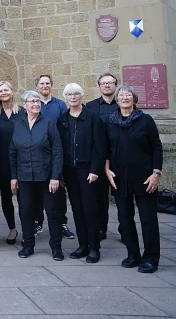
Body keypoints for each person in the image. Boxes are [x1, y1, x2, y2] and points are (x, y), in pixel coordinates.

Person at [106, 85, 162, 273]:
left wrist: (156, 173)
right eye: (121, 95)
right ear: (117, 99)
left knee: (148, 219)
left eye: (128, 95)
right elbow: (106, 148)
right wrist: (106, 169)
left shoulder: (145, 120)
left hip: (145, 178)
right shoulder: (110, 122)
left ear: (134, 99)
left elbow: (156, 147)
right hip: (119, 178)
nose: (125, 97)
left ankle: (151, 258)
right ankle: (133, 254)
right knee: (125, 219)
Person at [11, 90, 64, 260]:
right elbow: (12, 152)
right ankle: (28, 245)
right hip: (24, 177)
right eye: (32, 101)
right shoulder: (18, 124)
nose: (36, 104)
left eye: (38, 101)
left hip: (47, 177)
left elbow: (57, 152)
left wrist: (55, 177)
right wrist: (14, 176)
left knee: (52, 212)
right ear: (24, 105)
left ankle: (56, 247)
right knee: (26, 212)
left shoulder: (48, 123)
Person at [56, 83, 105, 263]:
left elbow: (99, 147)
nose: (73, 97)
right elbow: (59, 147)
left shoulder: (93, 117)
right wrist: (59, 173)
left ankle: (94, 247)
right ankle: (83, 245)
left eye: (76, 94)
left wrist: (95, 170)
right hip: (70, 171)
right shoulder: (62, 119)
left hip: (87, 171)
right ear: (65, 98)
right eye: (69, 94)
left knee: (90, 209)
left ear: (81, 96)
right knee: (77, 209)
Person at [36, 74, 74, 240]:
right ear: (37, 86)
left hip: (57, 154)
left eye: (47, 83)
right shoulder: (32, 104)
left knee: (58, 191)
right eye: (41, 83)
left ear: (51, 85)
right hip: (38, 155)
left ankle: (62, 222)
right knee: (37, 191)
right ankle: (38, 222)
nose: (45, 86)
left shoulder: (60, 105)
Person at [86, 72, 119, 241]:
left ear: (115, 85)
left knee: (121, 196)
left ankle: (125, 229)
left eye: (110, 83)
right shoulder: (90, 107)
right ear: (99, 86)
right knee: (100, 196)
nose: (107, 85)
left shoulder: (123, 104)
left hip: (119, 157)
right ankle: (101, 228)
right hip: (99, 157)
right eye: (104, 83)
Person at [0, 81, 21, 245]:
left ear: (12, 91)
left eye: (6, 89)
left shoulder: (23, 112)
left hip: (22, 161)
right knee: (6, 197)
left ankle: (28, 227)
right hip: (3, 162)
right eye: (0, 90)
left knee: (24, 198)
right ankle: (12, 228)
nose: (3, 92)